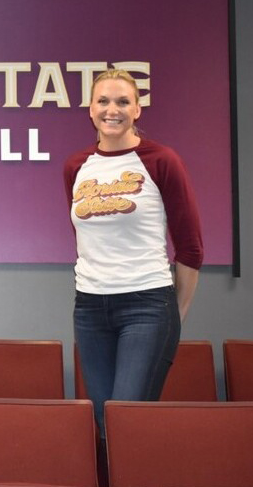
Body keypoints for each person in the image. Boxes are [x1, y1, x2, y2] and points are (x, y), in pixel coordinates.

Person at [63, 67, 202, 434]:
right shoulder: (76, 166)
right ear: (90, 109)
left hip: (147, 306)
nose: (113, 109)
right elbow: (82, 239)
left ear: (137, 109)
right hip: (90, 308)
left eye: (123, 101)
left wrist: (175, 315)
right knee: (101, 424)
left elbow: (190, 247)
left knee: (125, 419)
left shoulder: (161, 161)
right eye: (103, 101)